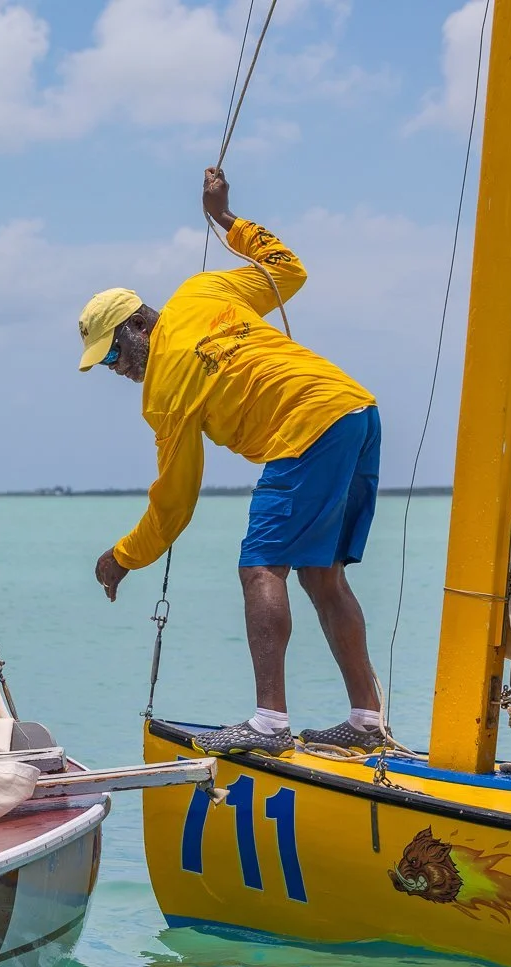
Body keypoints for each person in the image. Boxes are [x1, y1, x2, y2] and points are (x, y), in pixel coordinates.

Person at [77, 166, 383, 758]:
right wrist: (227, 220)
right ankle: (366, 719)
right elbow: (288, 270)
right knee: (323, 575)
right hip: (355, 409)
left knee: (261, 567)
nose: (116, 367)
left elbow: (175, 502)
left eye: (114, 350)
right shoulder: (203, 291)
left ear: (140, 322)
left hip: (307, 428)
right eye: (105, 361)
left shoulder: (164, 390)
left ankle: (268, 726)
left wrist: (123, 558)